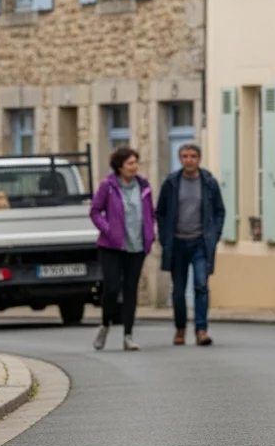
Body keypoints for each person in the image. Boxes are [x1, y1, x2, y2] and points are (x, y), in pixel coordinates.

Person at [156, 143, 226, 346]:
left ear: (199, 159)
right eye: (185, 156)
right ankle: (180, 328)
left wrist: (214, 235)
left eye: (193, 156)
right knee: (178, 291)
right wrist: (164, 237)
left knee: (201, 286)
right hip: (177, 243)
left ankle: (201, 330)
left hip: (200, 244)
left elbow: (220, 211)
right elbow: (160, 212)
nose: (189, 160)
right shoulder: (171, 183)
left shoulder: (209, 183)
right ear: (180, 159)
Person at [89, 146, 156, 352]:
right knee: (111, 288)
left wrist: (150, 234)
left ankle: (128, 335)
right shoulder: (108, 186)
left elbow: (149, 213)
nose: (134, 167)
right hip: (112, 246)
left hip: (136, 246)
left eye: (136, 163)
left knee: (130, 290)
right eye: (130, 163)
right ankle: (105, 325)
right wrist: (108, 230)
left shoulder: (143, 186)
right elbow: (95, 211)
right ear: (119, 166)